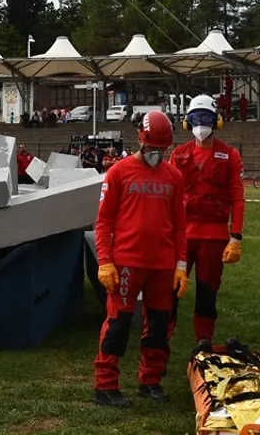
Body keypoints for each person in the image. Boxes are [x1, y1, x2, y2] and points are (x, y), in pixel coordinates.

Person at [92, 110, 188, 407]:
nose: (156, 154)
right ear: (140, 139)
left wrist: (181, 266)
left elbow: (180, 225)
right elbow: (104, 221)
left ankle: (151, 380)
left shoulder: (174, 176)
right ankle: (105, 385)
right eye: (151, 148)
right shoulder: (119, 172)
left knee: (160, 325)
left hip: (162, 264)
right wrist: (105, 260)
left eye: (162, 149)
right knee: (118, 323)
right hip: (126, 263)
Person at [168, 94, 245, 344]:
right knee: (169, 290)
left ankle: (204, 341)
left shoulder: (230, 155)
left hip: (213, 237)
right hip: (181, 235)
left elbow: (237, 197)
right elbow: (168, 196)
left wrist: (236, 237)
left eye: (206, 118)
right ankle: (162, 337)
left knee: (207, 292)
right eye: (196, 118)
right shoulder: (178, 154)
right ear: (187, 122)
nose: (201, 123)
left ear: (217, 121)